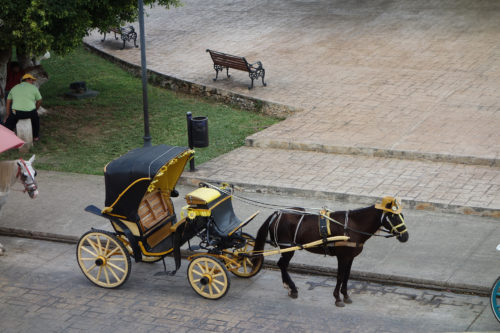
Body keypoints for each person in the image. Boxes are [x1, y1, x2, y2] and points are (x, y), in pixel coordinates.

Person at [4, 73, 42, 141]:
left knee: (9, 123)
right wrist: (36, 109)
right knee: (36, 120)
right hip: (30, 113)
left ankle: (7, 137)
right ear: (27, 79)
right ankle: (35, 136)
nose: (33, 82)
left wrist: (7, 115)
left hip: (16, 113)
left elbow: (8, 102)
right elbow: (39, 100)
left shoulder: (14, 88)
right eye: (31, 80)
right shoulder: (34, 88)